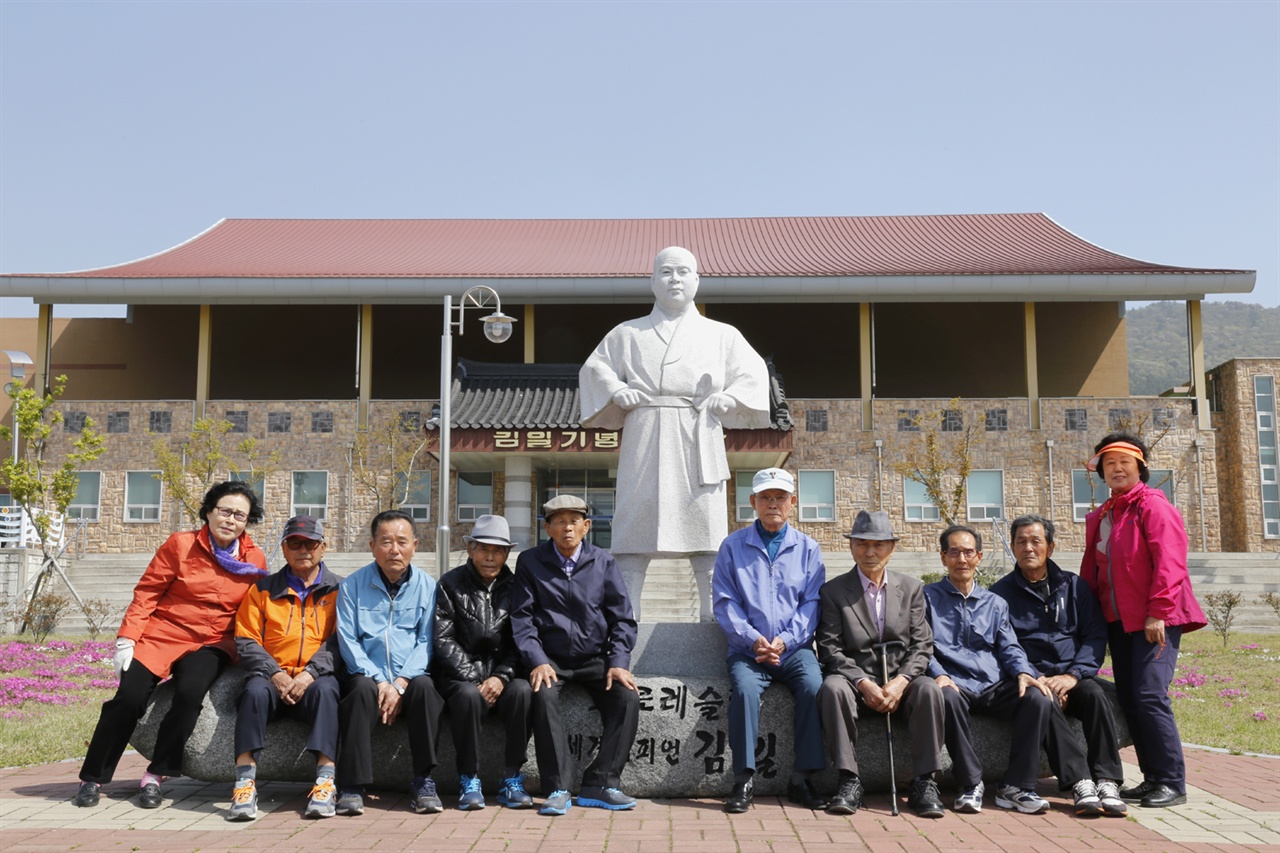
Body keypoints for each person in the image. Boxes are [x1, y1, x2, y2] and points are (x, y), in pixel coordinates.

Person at [579, 246, 771, 619]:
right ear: (652, 281)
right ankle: (626, 620)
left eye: (683, 272)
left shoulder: (721, 334)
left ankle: (712, 617)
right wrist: (618, 390)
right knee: (635, 527)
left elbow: (752, 373)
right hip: (645, 430)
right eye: (666, 272)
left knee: (706, 531)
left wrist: (728, 397)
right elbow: (594, 369)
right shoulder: (627, 333)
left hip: (697, 431)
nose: (675, 279)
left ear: (697, 280)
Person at [74, 481, 267, 809]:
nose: (230, 520)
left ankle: (156, 774)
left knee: (191, 695)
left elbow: (257, 608)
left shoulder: (255, 558)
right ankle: (92, 776)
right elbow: (148, 591)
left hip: (212, 642)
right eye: (224, 511)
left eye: (240, 515)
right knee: (129, 698)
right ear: (208, 511)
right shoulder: (180, 545)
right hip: (164, 633)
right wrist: (127, 639)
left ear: (247, 522)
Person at [924, 525, 1092, 815]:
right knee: (946, 697)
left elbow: (1009, 646)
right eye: (954, 552)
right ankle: (969, 783)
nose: (961, 559)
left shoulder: (995, 603)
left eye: (968, 552)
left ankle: (1016, 786)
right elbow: (922, 647)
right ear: (943, 558)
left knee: (1039, 697)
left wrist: (1023, 673)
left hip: (992, 683)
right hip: (955, 683)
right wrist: (939, 674)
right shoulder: (926, 598)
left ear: (979, 557)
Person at [1079, 432, 1206, 809]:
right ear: (1101, 471)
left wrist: (1158, 612)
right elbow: (1095, 571)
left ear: (1140, 468)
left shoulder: (1153, 506)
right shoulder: (1106, 514)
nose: (1117, 469)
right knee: (1132, 699)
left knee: (1150, 695)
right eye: (1109, 464)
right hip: (1118, 622)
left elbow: (1170, 562)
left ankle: (1171, 781)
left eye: (1124, 463)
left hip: (1155, 619)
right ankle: (1152, 779)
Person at [510, 495, 639, 816]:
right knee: (542, 694)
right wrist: (536, 659)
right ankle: (558, 787)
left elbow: (622, 618)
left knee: (627, 697)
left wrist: (619, 662)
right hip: (550, 659)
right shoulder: (530, 561)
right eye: (559, 521)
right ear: (547, 528)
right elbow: (522, 618)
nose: (567, 527)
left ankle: (601, 781)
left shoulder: (603, 561)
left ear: (586, 527)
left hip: (595, 658)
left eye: (574, 520)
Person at [990, 514, 1127, 817]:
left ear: (1050, 547)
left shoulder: (1074, 587)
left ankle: (1107, 780)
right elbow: (1003, 644)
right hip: (1029, 677)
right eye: (1021, 541)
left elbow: (1094, 636)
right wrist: (1037, 677)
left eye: (1036, 541)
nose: (1028, 547)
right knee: (1043, 698)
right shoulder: (1000, 595)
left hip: (1071, 674)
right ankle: (1080, 781)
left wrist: (1073, 676)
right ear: (1012, 548)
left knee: (1096, 696)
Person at [816, 510, 945, 818]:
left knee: (929, 690)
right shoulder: (833, 591)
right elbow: (829, 647)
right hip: (855, 681)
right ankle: (848, 780)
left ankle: (924, 782)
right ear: (851, 547)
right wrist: (863, 682)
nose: (870, 552)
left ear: (891, 548)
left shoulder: (912, 588)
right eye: (862, 544)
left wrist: (902, 681)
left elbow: (922, 643)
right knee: (832, 688)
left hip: (902, 680)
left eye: (878, 545)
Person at [713, 468, 827, 814]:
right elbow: (724, 601)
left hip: (795, 650)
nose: (772, 504)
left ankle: (802, 777)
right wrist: (753, 640)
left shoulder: (808, 548)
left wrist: (786, 641)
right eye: (765, 497)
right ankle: (744, 778)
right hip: (748, 652)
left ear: (792, 503)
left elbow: (812, 603)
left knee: (814, 686)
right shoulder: (733, 547)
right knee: (745, 691)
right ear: (753, 502)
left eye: (780, 497)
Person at [228, 515, 341, 821]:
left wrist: (310, 673)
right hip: (271, 678)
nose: (303, 549)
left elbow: (340, 641)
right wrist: (276, 674)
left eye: (311, 543)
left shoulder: (340, 591)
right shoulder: (262, 590)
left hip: (314, 680)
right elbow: (247, 640)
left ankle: (325, 782)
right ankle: (244, 783)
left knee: (328, 691)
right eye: (295, 543)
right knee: (253, 692)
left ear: (323, 548)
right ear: (284, 548)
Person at [335, 509, 443, 816]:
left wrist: (401, 682)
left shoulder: (428, 586)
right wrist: (381, 681)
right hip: (368, 675)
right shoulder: (353, 586)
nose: (394, 550)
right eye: (385, 541)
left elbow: (427, 640)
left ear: (415, 545)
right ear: (371, 546)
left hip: (409, 677)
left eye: (401, 541)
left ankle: (424, 780)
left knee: (426, 689)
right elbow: (348, 639)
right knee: (358, 691)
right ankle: (352, 786)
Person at [433, 514, 534, 810]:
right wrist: (475, 680)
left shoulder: (517, 587)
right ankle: (468, 778)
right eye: (483, 549)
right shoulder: (449, 584)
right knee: (467, 697)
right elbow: (443, 639)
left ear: (506, 554)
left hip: (502, 674)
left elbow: (522, 639)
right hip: (459, 675)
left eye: (498, 550)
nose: (490, 557)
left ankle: (512, 778)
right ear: (470, 550)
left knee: (523, 692)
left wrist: (501, 677)